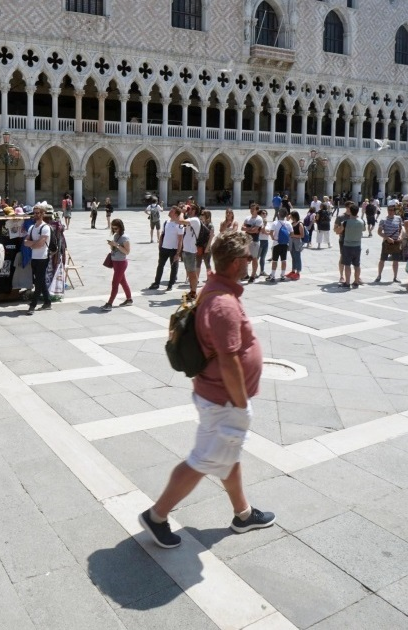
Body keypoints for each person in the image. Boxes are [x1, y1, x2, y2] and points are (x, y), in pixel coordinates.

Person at [138, 230, 275, 549]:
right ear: (237, 262)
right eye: (249, 258)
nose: (252, 262)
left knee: (226, 455)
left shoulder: (214, 286)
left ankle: (243, 514)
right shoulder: (223, 304)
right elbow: (228, 361)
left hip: (216, 395)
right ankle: (156, 516)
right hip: (224, 399)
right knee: (202, 460)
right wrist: (241, 404)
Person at [25, 202, 54, 313]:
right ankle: (47, 302)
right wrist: (34, 243)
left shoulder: (45, 227)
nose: (35, 215)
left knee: (38, 282)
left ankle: (33, 305)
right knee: (40, 281)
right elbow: (25, 242)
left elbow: (40, 244)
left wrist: (31, 243)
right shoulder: (32, 227)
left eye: (37, 213)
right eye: (34, 213)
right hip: (34, 257)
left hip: (43, 257)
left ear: (42, 214)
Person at [102, 219, 133, 311]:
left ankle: (109, 303)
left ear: (120, 227)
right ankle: (129, 299)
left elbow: (127, 252)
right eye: (113, 228)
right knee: (122, 281)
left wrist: (117, 245)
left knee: (115, 283)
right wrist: (112, 245)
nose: (114, 230)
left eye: (116, 228)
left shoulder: (125, 237)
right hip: (115, 261)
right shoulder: (116, 236)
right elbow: (114, 248)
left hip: (121, 263)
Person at [149, 206, 183, 290]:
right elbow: (163, 234)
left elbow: (180, 240)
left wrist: (178, 253)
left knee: (174, 267)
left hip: (174, 249)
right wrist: (160, 244)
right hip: (164, 248)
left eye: (172, 211)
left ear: (175, 214)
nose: (170, 211)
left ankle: (170, 284)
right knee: (160, 265)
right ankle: (157, 282)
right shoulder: (166, 222)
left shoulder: (179, 225)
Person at [335, 205, 365, 288]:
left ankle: (347, 282)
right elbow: (364, 229)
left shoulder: (345, 222)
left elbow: (338, 231)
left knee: (347, 265)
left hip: (347, 245)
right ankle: (356, 281)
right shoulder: (361, 221)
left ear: (350, 212)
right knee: (357, 265)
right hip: (357, 245)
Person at [375, 202, 404, 283]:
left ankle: (395, 277)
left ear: (394, 211)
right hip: (387, 243)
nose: (390, 211)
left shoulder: (398, 218)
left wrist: (400, 236)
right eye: (389, 210)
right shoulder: (383, 220)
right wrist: (387, 238)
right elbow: (379, 232)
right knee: (382, 259)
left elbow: (400, 229)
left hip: (396, 242)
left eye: (391, 210)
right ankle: (379, 275)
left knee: (396, 260)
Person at [180, 210, 202, 299]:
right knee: (190, 272)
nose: (188, 211)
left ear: (194, 210)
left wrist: (182, 211)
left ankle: (193, 292)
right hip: (187, 250)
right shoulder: (191, 220)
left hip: (190, 251)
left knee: (192, 273)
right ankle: (192, 291)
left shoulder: (195, 220)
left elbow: (181, 221)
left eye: (190, 209)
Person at [241, 204, 265, 282]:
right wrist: (251, 228)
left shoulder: (259, 219)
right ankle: (246, 274)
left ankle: (253, 275)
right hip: (247, 241)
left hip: (254, 241)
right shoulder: (247, 218)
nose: (251, 210)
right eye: (251, 209)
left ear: (257, 210)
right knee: (245, 258)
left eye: (253, 209)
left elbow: (255, 230)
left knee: (254, 258)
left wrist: (247, 229)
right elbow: (242, 228)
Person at [267, 210, 291, 282]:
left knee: (275, 260)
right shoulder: (288, 223)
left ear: (279, 214)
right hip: (285, 244)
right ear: (286, 215)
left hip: (276, 243)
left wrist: (273, 238)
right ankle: (283, 275)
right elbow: (291, 233)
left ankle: (273, 275)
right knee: (284, 260)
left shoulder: (275, 223)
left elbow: (271, 232)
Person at [287, 210, 304, 281]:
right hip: (291, 242)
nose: (290, 217)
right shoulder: (292, 223)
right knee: (293, 256)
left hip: (297, 242)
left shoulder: (299, 224)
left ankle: (298, 272)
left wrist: (293, 235)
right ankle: (293, 270)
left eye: (291, 215)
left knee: (297, 257)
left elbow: (302, 235)